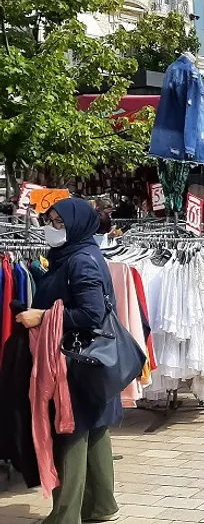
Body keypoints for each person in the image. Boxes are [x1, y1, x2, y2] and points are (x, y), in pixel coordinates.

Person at [15, 199, 122, 524]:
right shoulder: (77, 255)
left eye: (60, 222)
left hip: (76, 362)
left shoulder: (81, 261)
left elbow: (91, 313)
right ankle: (102, 506)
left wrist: (42, 316)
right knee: (95, 427)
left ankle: (65, 516)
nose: (52, 228)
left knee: (71, 432)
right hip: (89, 361)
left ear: (76, 224)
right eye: (50, 221)